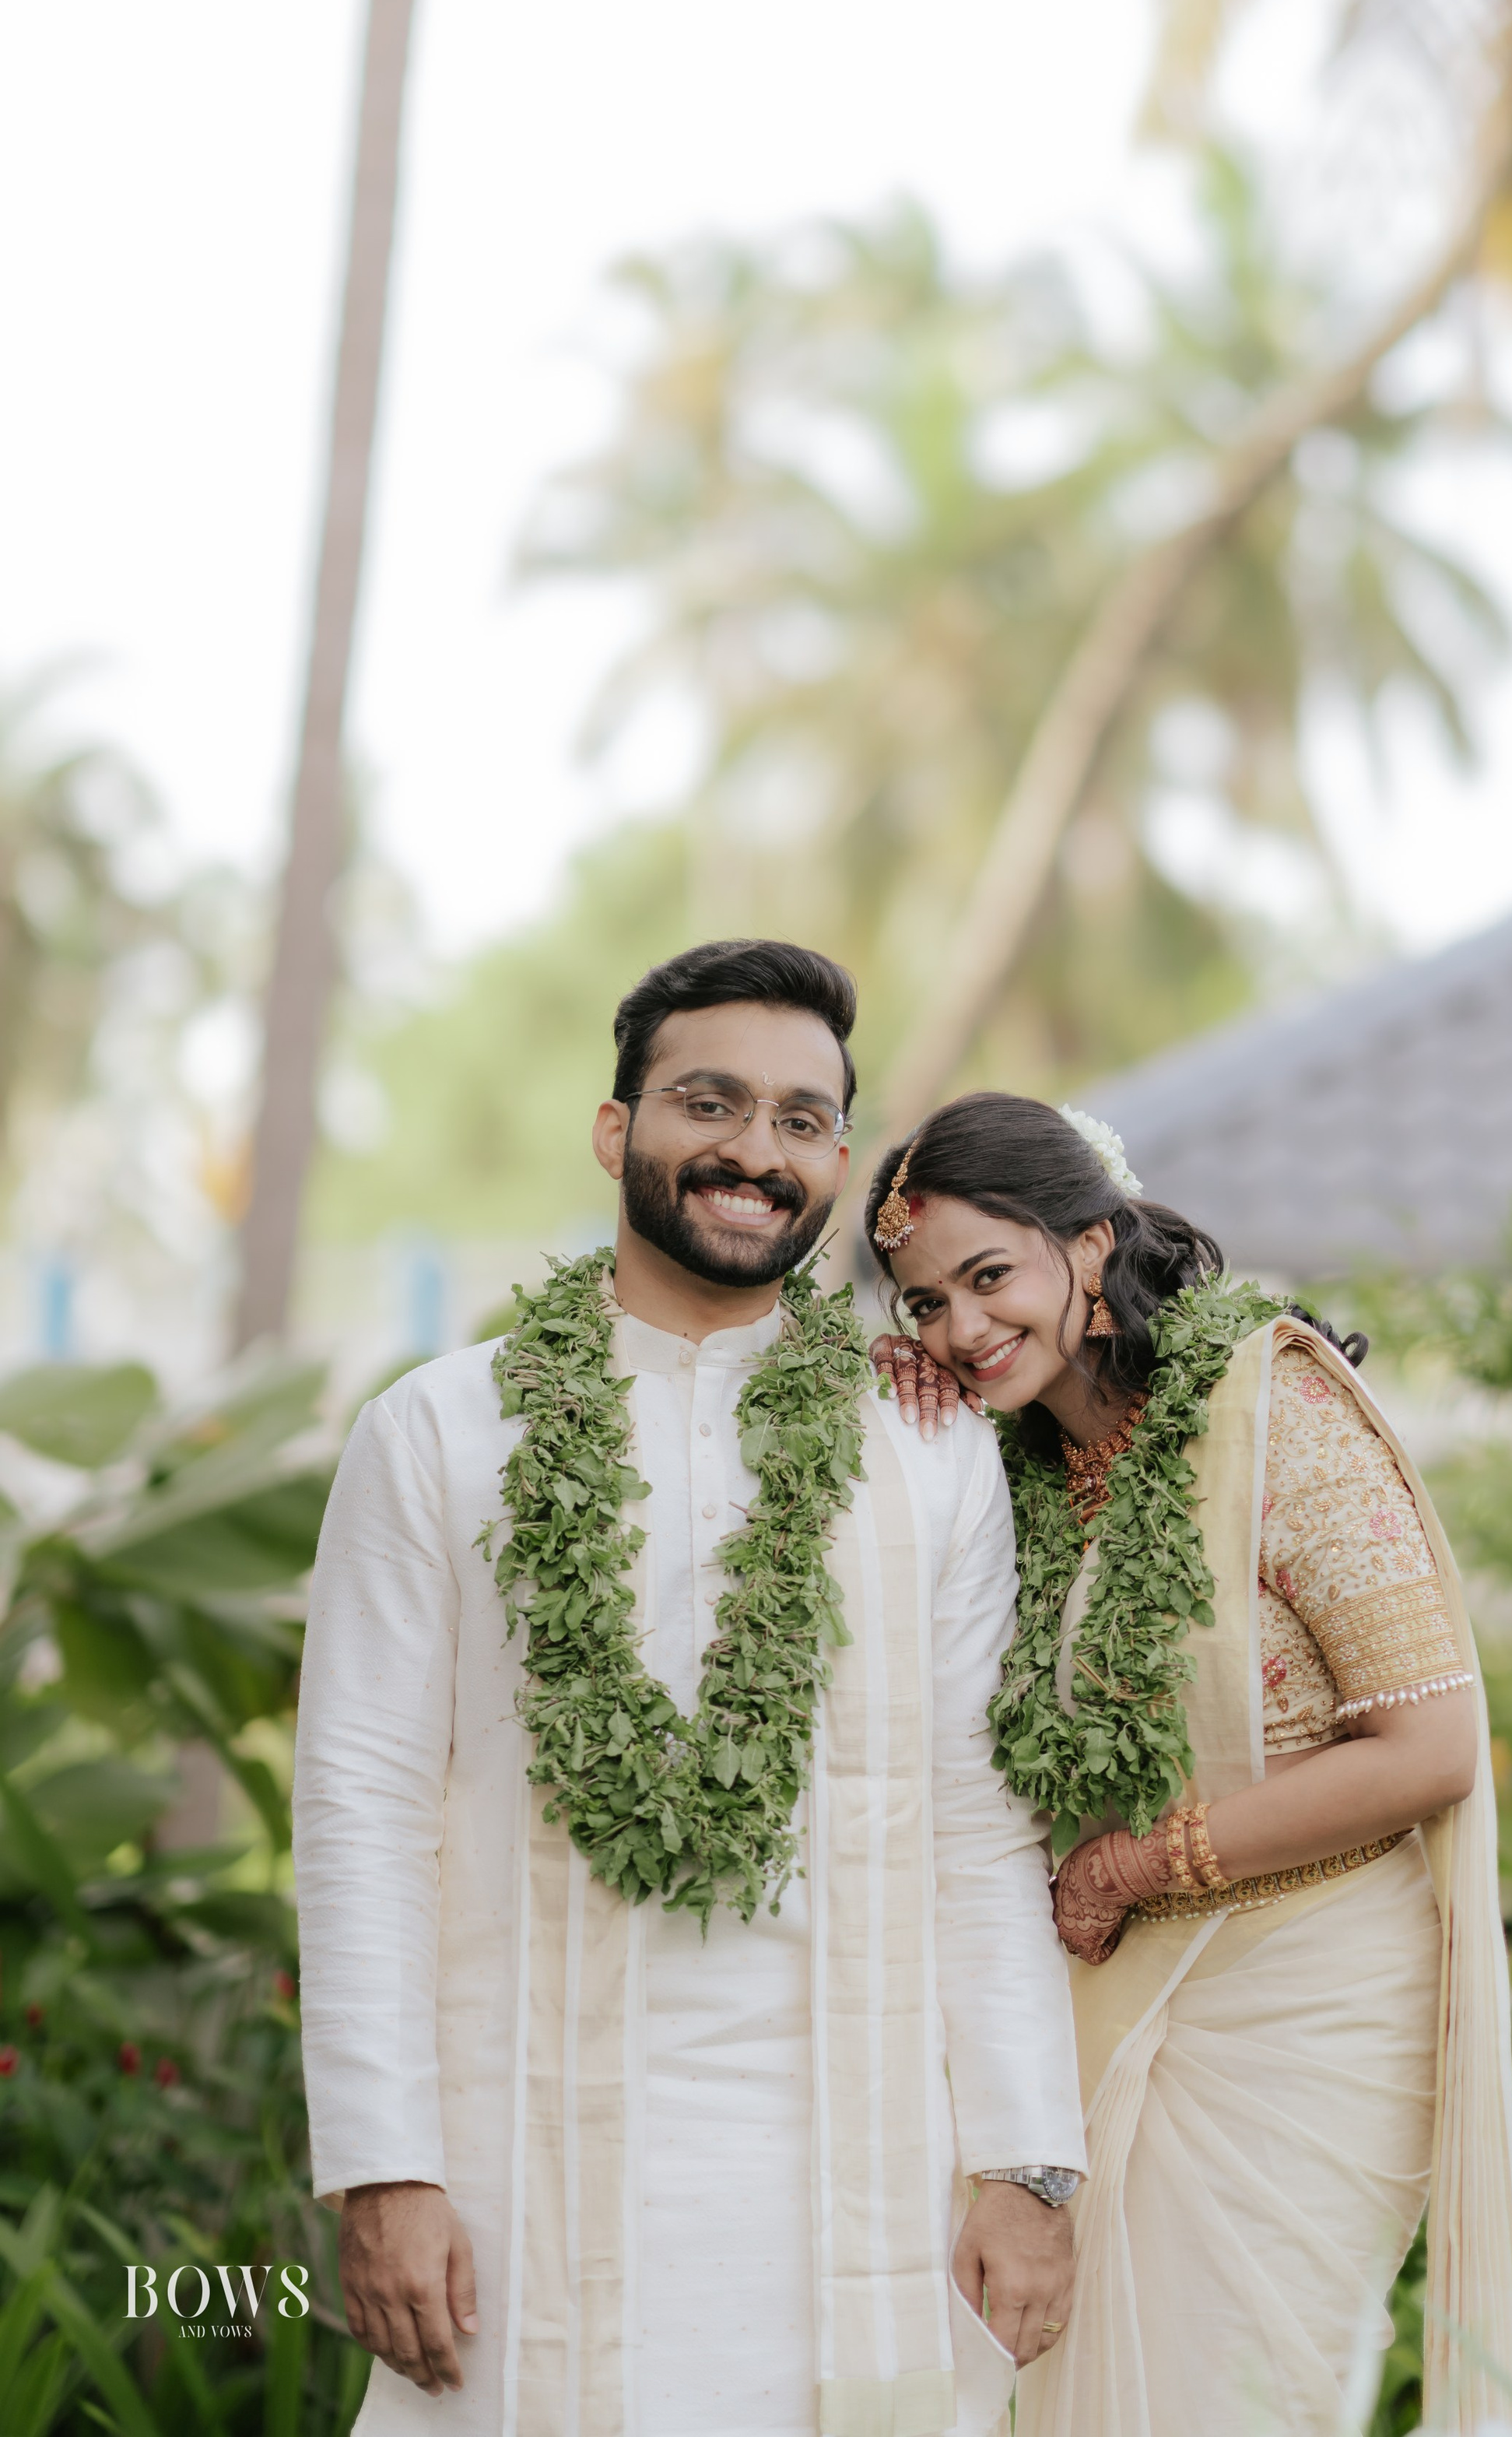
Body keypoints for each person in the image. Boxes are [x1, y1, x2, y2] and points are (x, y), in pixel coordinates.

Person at [293, 941, 1086, 2437]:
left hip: (861, 2173)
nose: (753, 1151)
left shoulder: (925, 1445)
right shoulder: (440, 1432)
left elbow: (982, 1828)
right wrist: (386, 2166)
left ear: (841, 1163)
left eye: (801, 1120)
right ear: (617, 1131)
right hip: (515, 2154)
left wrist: (1029, 2162)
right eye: (708, 1103)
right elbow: (359, 1812)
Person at [866, 1090, 1512, 2437]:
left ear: (1093, 1247)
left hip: (1309, 2001)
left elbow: (1435, 1745)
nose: (959, 1327)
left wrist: (1142, 1862)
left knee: (1230, 2397)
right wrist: (892, 1420)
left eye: (988, 1276)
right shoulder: (1024, 1464)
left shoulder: (1272, 1409)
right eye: (924, 1304)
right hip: (1119, 2000)